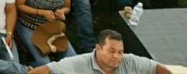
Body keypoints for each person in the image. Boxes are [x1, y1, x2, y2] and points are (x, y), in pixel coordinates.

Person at [28, 29, 173, 74]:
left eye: (120, 52)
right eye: (111, 51)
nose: (117, 56)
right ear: (98, 49)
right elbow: (47, 69)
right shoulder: (78, 63)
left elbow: (156, 68)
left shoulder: (130, 61)